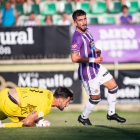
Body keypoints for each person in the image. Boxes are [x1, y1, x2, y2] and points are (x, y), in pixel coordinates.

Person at [71, 10, 126, 125]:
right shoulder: (77, 37)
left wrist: (95, 50)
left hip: (96, 67)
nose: (84, 22)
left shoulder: (87, 30)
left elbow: (89, 46)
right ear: (75, 23)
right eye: (80, 20)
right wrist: (93, 59)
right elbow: (74, 58)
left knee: (113, 87)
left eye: (84, 19)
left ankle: (111, 113)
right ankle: (83, 117)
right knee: (96, 98)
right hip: (87, 72)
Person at [0, 87, 73, 128]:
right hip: (9, 103)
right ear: (60, 100)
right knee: (28, 121)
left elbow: (33, 105)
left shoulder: (48, 93)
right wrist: (38, 124)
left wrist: (38, 119)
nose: (67, 105)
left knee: (24, 113)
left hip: (4, 93)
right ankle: (2, 126)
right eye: (67, 101)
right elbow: (27, 122)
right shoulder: (46, 106)